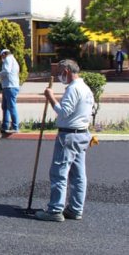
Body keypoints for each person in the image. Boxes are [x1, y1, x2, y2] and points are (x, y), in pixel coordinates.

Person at [35, 59, 94, 222]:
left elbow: (64, 112)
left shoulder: (74, 89)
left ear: (67, 71)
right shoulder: (86, 89)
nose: (59, 76)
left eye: (60, 72)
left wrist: (51, 97)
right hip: (82, 135)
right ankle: (75, 209)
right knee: (78, 174)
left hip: (69, 136)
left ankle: (55, 210)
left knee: (59, 172)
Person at [0, 49, 20, 133]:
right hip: (8, 86)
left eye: (1, 56)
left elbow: (6, 71)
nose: (1, 58)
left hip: (10, 87)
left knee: (11, 107)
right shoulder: (13, 60)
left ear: (4, 54)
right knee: (5, 107)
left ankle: (15, 127)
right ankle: (5, 126)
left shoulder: (8, 59)